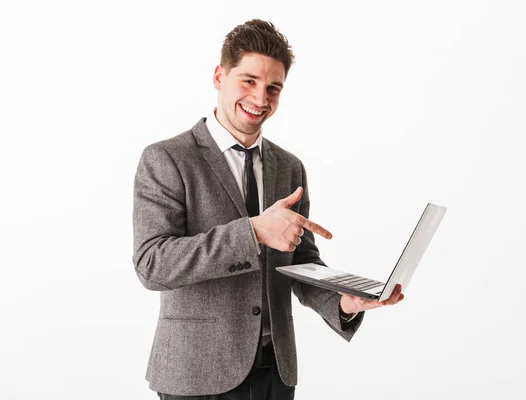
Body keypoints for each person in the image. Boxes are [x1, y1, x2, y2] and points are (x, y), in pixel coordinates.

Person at [132, 19, 405, 399]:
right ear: (219, 76)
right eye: (249, 81)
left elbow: (300, 259)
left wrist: (342, 300)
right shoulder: (167, 159)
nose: (261, 99)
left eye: (273, 88)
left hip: (274, 371)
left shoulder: (288, 167)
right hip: (196, 372)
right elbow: (152, 265)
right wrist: (253, 231)